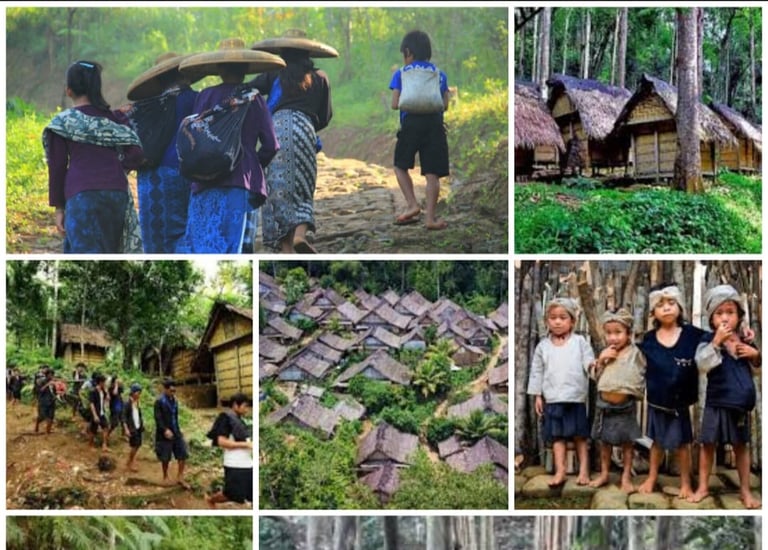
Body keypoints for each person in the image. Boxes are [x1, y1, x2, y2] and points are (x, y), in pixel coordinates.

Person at [174, 38, 283, 253]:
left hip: (204, 180)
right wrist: (252, 165)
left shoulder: (205, 96)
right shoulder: (254, 99)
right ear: (245, 70)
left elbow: (195, 137)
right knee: (234, 249)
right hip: (240, 182)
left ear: (219, 70)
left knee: (202, 244)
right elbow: (271, 145)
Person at [43, 60, 144, 253]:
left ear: (69, 91)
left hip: (81, 196)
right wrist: (115, 164)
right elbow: (136, 153)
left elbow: (57, 168)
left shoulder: (62, 124)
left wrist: (59, 207)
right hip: (117, 193)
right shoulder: (116, 119)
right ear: (97, 88)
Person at [250, 29, 337, 254]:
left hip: (275, 129)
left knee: (278, 189)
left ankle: (286, 248)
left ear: (283, 53)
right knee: (303, 185)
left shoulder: (273, 75)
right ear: (308, 53)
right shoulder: (320, 77)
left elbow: (248, 90)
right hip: (304, 131)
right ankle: (300, 234)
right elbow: (325, 116)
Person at [688, 285, 761, 508]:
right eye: (719, 314)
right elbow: (702, 364)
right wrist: (717, 343)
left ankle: (745, 491)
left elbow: (757, 369)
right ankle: (702, 487)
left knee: (741, 445)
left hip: (740, 404)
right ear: (711, 320)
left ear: (739, 316)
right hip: (716, 402)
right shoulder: (708, 341)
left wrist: (756, 354)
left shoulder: (746, 341)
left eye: (730, 312)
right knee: (708, 444)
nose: (725, 318)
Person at [126, 52, 201, 253]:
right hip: (185, 173)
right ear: (185, 75)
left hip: (151, 178)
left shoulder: (147, 107)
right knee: (185, 232)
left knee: (154, 237)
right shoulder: (196, 99)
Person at [637, 283, 704, 498]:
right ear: (653, 312)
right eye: (660, 304)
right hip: (657, 401)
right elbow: (633, 358)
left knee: (683, 444)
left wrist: (744, 336)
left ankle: (685, 482)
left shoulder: (693, 335)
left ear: (680, 307)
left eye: (671, 303)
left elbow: (717, 340)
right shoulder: (648, 339)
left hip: (681, 402)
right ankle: (652, 477)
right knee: (656, 443)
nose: (666, 308)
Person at [527, 297, 595, 486]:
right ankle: (561, 471)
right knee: (557, 437)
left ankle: (583, 471)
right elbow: (537, 371)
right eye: (553, 317)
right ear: (547, 321)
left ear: (572, 321)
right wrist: (537, 395)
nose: (557, 321)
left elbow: (589, 363)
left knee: (580, 436)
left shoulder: (580, 342)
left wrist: (596, 367)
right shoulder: (543, 346)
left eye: (563, 317)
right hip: (553, 398)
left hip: (575, 398)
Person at [389, 30, 451, 231]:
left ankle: (412, 204)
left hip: (411, 124)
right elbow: (445, 105)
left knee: (400, 166)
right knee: (432, 174)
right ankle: (431, 219)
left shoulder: (401, 73)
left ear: (408, 51)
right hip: (434, 125)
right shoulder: (439, 74)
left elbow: (395, 103)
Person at [588, 309, 646, 493]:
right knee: (605, 443)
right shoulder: (605, 354)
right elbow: (595, 377)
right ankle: (604, 474)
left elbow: (642, 373)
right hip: (604, 406)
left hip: (625, 406)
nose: (613, 337)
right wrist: (601, 360)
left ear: (629, 334)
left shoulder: (635, 353)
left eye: (618, 332)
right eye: (609, 333)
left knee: (627, 444)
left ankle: (626, 477)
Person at [205, 393, 253, 508]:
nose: (247, 409)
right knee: (232, 494)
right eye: (245, 406)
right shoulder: (225, 418)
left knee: (251, 494)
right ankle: (211, 500)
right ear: (236, 405)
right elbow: (222, 442)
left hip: (247, 463)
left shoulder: (239, 420)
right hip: (235, 463)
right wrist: (246, 445)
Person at [154, 379, 190, 488]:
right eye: (171, 390)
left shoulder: (175, 401)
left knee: (182, 453)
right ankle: (165, 476)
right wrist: (165, 429)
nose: (173, 392)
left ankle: (180, 476)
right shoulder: (159, 401)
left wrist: (178, 430)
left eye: (174, 391)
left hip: (176, 432)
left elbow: (175, 417)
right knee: (165, 457)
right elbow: (158, 418)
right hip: (164, 433)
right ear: (165, 389)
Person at [123, 383, 145, 472]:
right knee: (134, 446)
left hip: (138, 427)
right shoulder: (127, 404)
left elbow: (138, 415)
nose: (139, 394)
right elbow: (123, 417)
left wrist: (141, 425)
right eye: (138, 392)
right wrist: (126, 429)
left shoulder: (136, 403)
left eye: (140, 393)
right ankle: (129, 463)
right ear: (133, 393)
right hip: (132, 428)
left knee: (138, 445)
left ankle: (129, 461)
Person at [88, 373, 110, 452]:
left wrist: (106, 391)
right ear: (100, 382)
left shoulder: (103, 391)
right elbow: (91, 404)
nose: (105, 383)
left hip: (101, 412)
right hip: (95, 413)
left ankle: (104, 445)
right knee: (93, 430)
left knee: (106, 427)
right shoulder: (93, 391)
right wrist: (95, 415)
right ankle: (90, 445)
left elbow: (107, 399)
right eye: (104, 382)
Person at [34, 367, 56, 434]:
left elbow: (55, 392)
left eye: (52, 374)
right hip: (43, 402)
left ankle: (48, 432)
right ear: (47, 375)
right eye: (50, 374)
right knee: (42, 416)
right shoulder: (41, 381)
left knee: (51, 417)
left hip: (51, 402)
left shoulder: (53, 382)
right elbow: (39, 390)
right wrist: (47, 385)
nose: (52, 376)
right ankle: (37, 424)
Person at [107, 374, 126, 439]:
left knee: (123, 420)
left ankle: (123, 435)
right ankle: (107, 434)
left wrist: (119, 384)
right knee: (114, 423)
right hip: (114, 406)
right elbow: (114, 393)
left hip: (120, 404)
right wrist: (116, 385)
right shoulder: (111, 388)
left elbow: (122, 391)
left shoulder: (119, 387)